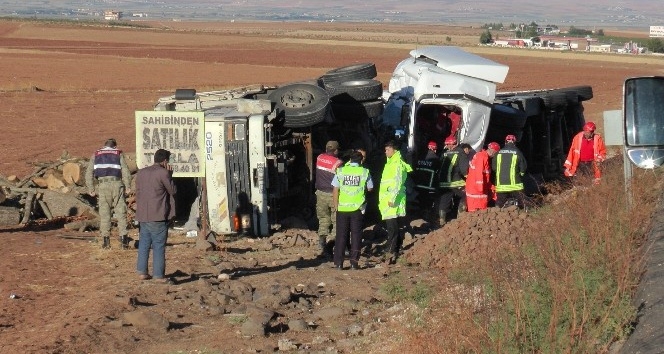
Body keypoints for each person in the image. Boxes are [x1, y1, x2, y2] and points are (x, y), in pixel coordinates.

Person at [135, 149, 176, 282]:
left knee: (144, 243)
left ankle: (142, 272)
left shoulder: (141, 172)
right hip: (157, 214)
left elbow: (139, 191)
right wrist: (170, 174)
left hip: (142, 214)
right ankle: (158, 275)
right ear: (165, 161)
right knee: (158, 245)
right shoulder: (163, 173)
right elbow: (173, 190)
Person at [85, 138, 132, 250]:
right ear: (114, 146)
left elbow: (88, 173)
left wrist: (91, 188)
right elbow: (125, 171)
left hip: (103, 185)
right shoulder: (118, 153)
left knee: (105, 214)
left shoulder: (96, 154)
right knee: (121, 212)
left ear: (104, 145)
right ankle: (124, 241)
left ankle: (106, 242)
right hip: (117, 184)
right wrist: (128, 185)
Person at [331, 150, 373, 270]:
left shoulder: (341, 170)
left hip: (342, 208)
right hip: (357, 209)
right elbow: (370, 188)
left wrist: (336, 205)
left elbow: (335, 189)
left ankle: (338, 263)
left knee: (341, 236)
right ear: (360, 160)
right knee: (356, 235)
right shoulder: (365, 172)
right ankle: (354, 263)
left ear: (350, 159)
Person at [379, 140, 412, 264]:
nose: (385, 151)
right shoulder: (391, 162)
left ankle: (390, 252)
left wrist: (392, 199)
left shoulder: (397, 163)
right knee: (393, 227)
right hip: (389, 201)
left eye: (387, 149)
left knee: (392, 228)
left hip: (393, 202)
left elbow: (397, 183)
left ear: (394, 150)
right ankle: (394, 250)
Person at [315, 140, 343, 257]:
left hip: (320, 193)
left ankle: (321, 243)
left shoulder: (319, 157)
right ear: (336, 150)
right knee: (336, 220)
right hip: (333, 194)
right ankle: (330, 245)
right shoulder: (338, 163)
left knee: (323, 218)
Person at [438, 136, 469, 226]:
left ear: (452, 144)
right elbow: (464, 168)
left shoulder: (444, 153)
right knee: (465, 196)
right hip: (456, 182)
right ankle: (461, 218)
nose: (446, 146)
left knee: (444, 200)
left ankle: (442, 220)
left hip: (443, 182)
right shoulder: (461, 152)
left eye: (447, 144)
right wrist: (468, 178)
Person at [493, 135, 528, 208]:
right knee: (522, 202)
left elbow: (494, 168)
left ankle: (497, 213)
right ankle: (523, 213)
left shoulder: (498, 153)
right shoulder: (518, 152)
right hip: (515, 185)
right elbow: (523, 168)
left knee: (499, 203)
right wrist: (521, 174)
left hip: (501, 185)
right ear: (514, 143)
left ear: (505, 142)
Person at [412, 140, 441, 223]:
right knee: (427, 203)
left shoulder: (421, 157)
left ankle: (419, 216)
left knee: (421, 201)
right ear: (434, 149)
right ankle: (426, 217)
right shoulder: (436, 159)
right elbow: (438, 171)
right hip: (429, 185)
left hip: (419, 184)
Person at [465, 142, 500, 212]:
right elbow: (479, 173)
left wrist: (491, 187)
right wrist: (481, 188)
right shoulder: (482, 157)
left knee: (478, 211)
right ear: (493, 151)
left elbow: (484, 175)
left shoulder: (482, 155)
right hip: (476, 190)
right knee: (477, 212)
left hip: (475, 187)